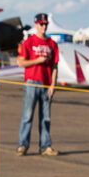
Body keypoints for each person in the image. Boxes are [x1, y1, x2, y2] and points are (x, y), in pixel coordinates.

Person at [16, 13, 59, 156]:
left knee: (46, 117)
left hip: (46, 84)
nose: (44, 26)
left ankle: (45, 146)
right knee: (27, 116)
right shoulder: (29, 42)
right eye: (41, 24)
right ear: (36, 25)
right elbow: (21, 62)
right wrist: (37, 61)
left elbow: (54, 67)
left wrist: (53, 85)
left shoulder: (52, 44)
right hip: (32, 82)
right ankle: (23, 145)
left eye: (46, 24)